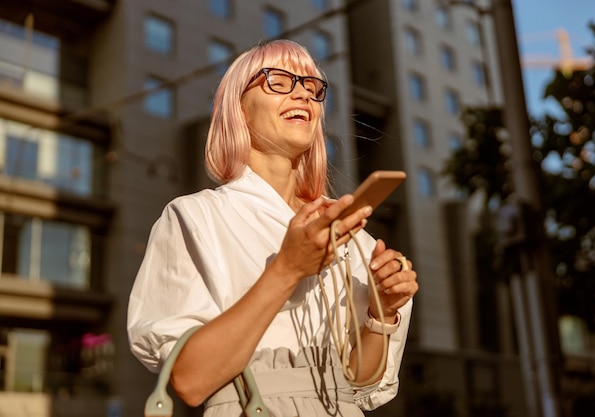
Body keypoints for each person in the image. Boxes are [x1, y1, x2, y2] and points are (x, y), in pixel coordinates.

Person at [127, 39, 418, 417]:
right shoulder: (196, 217)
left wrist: (382, 313)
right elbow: (189, 381)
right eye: (279, 80)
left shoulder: (351, 235)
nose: (303, 94)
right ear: (240, 109)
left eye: (312, 87)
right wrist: (289, 268)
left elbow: (358, 386)